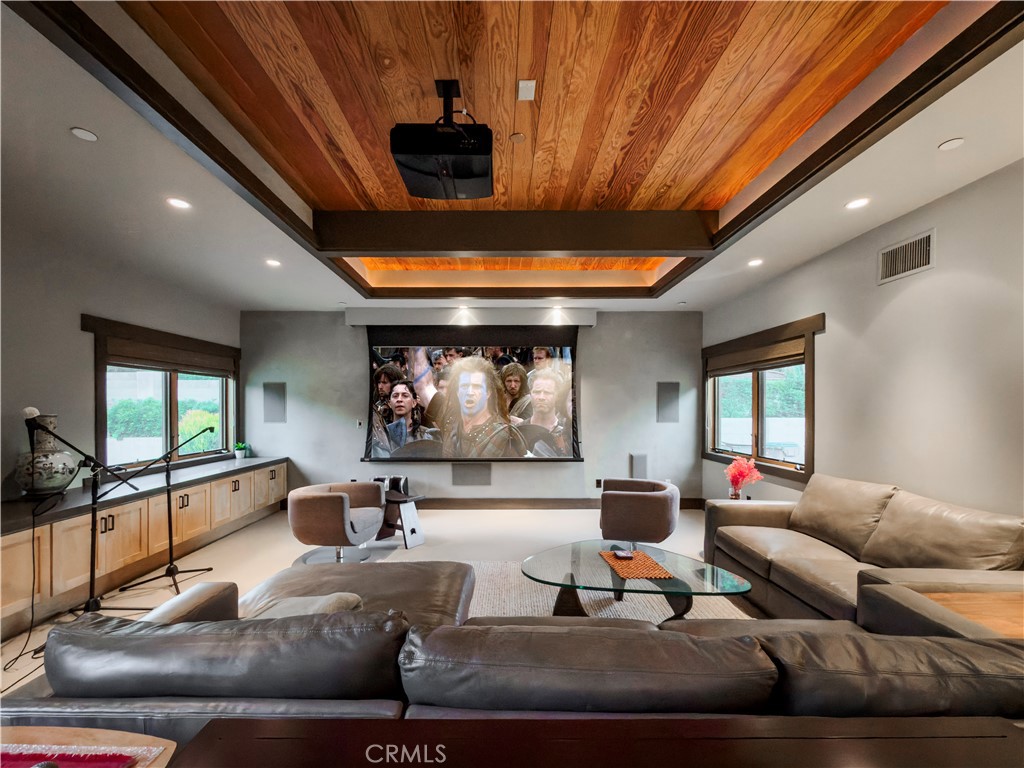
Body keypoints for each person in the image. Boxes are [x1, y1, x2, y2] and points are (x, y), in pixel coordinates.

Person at [437, 356, 527, 459]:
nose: (470, 393)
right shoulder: (451, 423)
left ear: (488, 392)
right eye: (465, 386)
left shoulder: (503, 436)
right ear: (457, 392)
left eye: (477, 387)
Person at [371, 380, 437, 458]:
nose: (399, 400)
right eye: (395, 396)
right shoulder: (382, 435)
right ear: (389, 403)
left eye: (405, 395)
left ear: (414, 402)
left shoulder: (426, 435)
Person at [522, 368, 570, 457]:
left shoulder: (567, 434)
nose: (541, 397)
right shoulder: (519, 432)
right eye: (537, 392)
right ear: (530, 394)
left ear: (557, 395)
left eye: (547, 393)